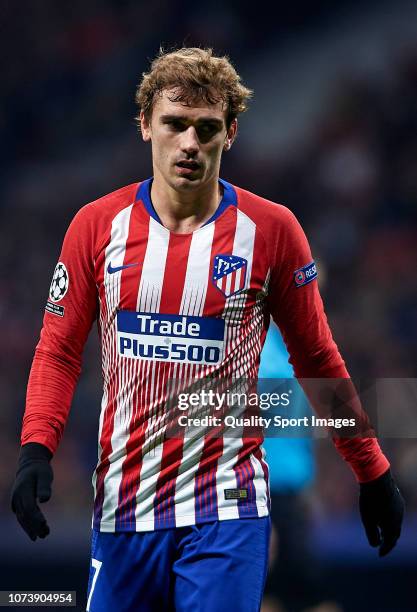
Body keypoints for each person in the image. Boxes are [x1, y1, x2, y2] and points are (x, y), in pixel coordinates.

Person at [11, 48, 404, 612]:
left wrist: (371, 468)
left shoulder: (271, 231)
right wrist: (35, 449)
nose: (190, 142)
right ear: (145, 124)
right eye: (175, 123)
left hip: (228, 510)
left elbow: (316, 357)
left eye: (207, 127)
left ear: (231, 133)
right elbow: (58, 350)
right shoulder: (96, 227)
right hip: (124, 507)